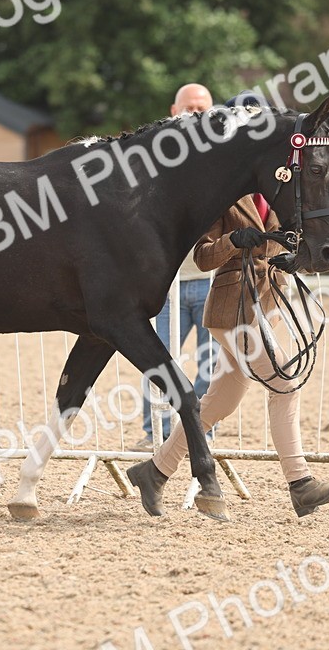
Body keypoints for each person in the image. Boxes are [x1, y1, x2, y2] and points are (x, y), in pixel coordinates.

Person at [127, 100, 329, 518]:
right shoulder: (221, 191)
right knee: (285, 384)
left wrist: (287, 255)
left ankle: (154, 472)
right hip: (234, 312)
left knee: (218, 403)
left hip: (264, 302)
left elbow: (276, 237)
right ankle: (300, 483)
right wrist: (235, 241)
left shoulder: (277, 186)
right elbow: (203, 256)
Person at [137, 83, 218, 450]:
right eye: (189, 107)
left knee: (212, 364)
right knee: (157, 363)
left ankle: (198, 433)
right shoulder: (156, 158)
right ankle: (154, 433)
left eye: (202, 108)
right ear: (174, 111)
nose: (195, 113)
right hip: (165, 284)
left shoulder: (221, 159)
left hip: (210, 279)